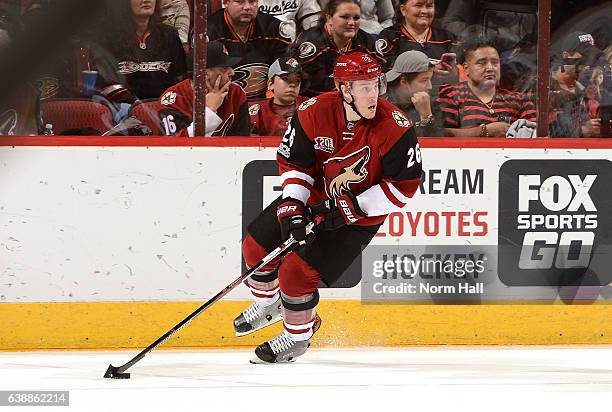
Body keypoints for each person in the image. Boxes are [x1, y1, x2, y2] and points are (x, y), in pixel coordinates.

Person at [235, 52, 422, 363]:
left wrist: (353, 207)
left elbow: (404, 187)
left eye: (374, 85)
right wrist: (294, 204)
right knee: (255, 248)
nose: (371, 94)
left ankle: (297, 337)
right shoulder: (313, 112)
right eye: (362, 87)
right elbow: (296, 163)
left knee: (295, 272)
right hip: (314, 196)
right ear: (344, 89)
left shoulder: (395, 127)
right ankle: (270, 303)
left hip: (361, 214)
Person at [90, 0, 187, 105]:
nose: (146, 0)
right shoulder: (107, 38)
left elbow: (180, 80)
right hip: (122, 107)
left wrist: (163, 106)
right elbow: (105, 84)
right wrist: (138, 107)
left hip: (163, 107)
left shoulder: (169, 35)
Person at [437, 37, 536, 137]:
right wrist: (484, 131)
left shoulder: (519, 100)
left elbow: (536, 138)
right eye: (481, 62)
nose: (490, 68)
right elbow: (441, 135)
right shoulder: (451, 94)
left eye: (494, 62)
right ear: (466, 68)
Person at [158, 40, 250, 136]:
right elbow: (176, 146)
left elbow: (244, 141)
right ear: (203, 74)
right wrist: (209, 111)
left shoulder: (236, 93)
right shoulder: (173, 101)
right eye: (224, 68)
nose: (232, 72)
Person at [292, 0, 381, 97]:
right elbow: (310, 87)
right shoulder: (311, 44)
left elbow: (381, 72)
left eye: (356, 18)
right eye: (345, 17)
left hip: (356, 98)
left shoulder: (366, 41)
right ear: (329, 18)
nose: (352, 23)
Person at [207, 0, 292, 100]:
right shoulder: (208, 31)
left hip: (265, 102)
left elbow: (286, 70)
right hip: (222, 101)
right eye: (239, 1)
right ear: (225, 2)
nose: (247, 7)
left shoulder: (273, 28)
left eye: (252, 2)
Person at [377, 0, 457, 76]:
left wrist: (454, 72)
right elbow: (385, 70)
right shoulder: (389, 37)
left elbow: (462, 70)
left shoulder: (448, 38)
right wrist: (428, 71)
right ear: (403, 10)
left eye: (429, 6)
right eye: (418, 5)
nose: (424, 11)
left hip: (445, 89)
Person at [549, 32, 603, 137]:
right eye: (584, 55)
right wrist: (581, 130)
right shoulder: (546, 85)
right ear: (566, 55)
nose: (588, 62)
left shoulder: (582, 89)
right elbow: (538, 131)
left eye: (592, 56)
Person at [383, 50, 443, 136]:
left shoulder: (430, 103)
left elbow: (439, 144)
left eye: (430, 79)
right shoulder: (383, 105)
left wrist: (426, 117)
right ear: (403, 81)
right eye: (424, 80)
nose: (430, 87)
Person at [249, 57, 308, 136]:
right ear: (271, 84)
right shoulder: (255, 110)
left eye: (297, 80)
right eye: (285, 79)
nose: (293, 84)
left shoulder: (310, 107)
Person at [319, 0, 394, 35]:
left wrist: (380, 32)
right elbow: (323, 15)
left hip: (373, 33)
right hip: (338, 33)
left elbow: (389, 18)